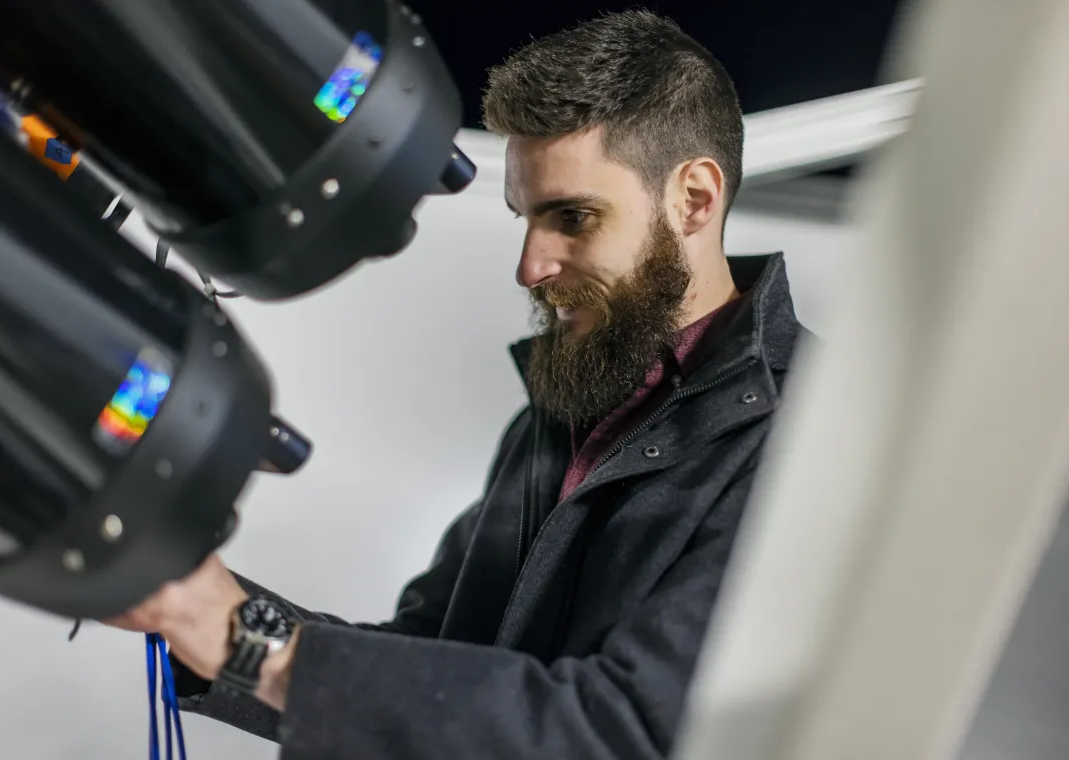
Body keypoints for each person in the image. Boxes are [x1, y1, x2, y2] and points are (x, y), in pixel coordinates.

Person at [106, 10, 809, 759]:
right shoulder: (562, 413)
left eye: (573, 217)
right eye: (527, 219)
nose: (531, 266)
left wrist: (244, 642)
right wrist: (191, 600)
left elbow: (616, 730)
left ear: (694, 199)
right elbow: (429, 660)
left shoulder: (808, 440)